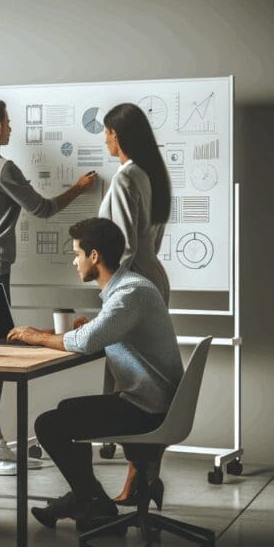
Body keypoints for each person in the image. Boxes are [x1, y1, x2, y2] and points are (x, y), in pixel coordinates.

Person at [8, 218, 182, 531]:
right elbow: (99, 333)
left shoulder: (129, 295)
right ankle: (86, 498)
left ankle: (91, 501)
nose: (74, 261)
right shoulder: (130, 289)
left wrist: (38, 337)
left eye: (77, 254)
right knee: (66, 412)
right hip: (152, 402)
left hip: (147, 410)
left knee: (49, 424)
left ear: (94, 256)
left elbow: (88, 341)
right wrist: (65, 331)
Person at [0, 98, 99, 476]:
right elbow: (43, 209)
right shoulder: (3, 169)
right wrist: (79, 188)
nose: (11, 127)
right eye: (8, 121)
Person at [98, 102, 174, 505]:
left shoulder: (127, 178)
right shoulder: (151, 175)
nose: (105, 139)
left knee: (131, 388)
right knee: (147, 384)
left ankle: (135, 484)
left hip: (131, 287)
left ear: (120, 136)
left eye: (108, 133)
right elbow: (149, 241)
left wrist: (112, 296)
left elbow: (122, 247)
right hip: (152, 279)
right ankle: (144, 479)